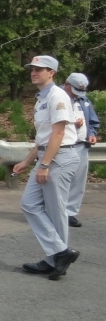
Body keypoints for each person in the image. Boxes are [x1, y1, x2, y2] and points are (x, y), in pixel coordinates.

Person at [11, 56, 80, 281]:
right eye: (32, 69)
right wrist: (28, 160)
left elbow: (59, 134)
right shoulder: (43, 97)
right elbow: (44, 137)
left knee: (56, 210)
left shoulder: (58, 96)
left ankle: (56, 258)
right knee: (29, 204)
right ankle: (60, 253)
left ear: (52, 72)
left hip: (59, 157)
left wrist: (45, 164)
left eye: (39, 69)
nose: (34, 72)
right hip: (47, 155)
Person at [64, 72, 100, 228]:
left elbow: (93, 122)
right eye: (75, 90)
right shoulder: (56, 97)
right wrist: (72, 125)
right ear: (67, 85)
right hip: (63, 147)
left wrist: (92, 134)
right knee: (59, 181)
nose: (78, 95)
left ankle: (70, 213)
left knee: (78, 182)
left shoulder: (84, 100)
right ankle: (52, 212)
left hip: (81, 146)